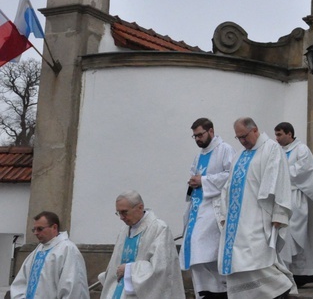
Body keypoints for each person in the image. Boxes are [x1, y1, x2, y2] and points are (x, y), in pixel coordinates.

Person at [218, 117, 295, 299]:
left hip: (258, 216)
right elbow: (228, 186)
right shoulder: (238, 156)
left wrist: (280, 213)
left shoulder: (271, 149)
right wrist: (224, 213)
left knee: (257, 258)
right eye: (238, 138)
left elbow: (280, 181)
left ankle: (280, 290)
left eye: (244, 136)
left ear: (255, 130)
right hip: (235, 222)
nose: (242, 141)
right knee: (238, 262)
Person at [179, 118, 236, 299]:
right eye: (194, 136)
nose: (197, 139)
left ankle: (219, 290)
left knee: (202, 246)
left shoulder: (225, 149)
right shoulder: (199, 155)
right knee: (195, 249)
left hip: (214, 206)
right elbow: (194, 174)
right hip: (197, 207)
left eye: (200, 135)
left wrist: (203, 181)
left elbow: (231, 175)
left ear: (211, 131)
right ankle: (205, 291)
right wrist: (193, 182)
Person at [99, 191, 185, 298]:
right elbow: (115, 264)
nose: (121, 217)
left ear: (140, 207)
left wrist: (129, 270)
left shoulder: (159, 228)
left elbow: (162, 268)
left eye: (124, 212)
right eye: (118, 213)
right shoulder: (124, 231)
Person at [273, 121, 313, 288]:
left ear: (289, 134)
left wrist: (281, 174)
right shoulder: (277, 151)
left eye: (280, 134)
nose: (277, 138)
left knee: (293, 235)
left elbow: (305, 171)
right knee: (283, 237)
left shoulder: (301, 149)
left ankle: (298, 274)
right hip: (280, 199)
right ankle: (287, 272)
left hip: (295, 198)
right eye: (276, 135)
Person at [10, 211, 89, 299]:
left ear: (54, 227)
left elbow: (73, 288)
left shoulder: (67, 250)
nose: (35, 233)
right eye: (34, 229)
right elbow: (21, 282)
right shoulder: (38, 250)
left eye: (40, 229)